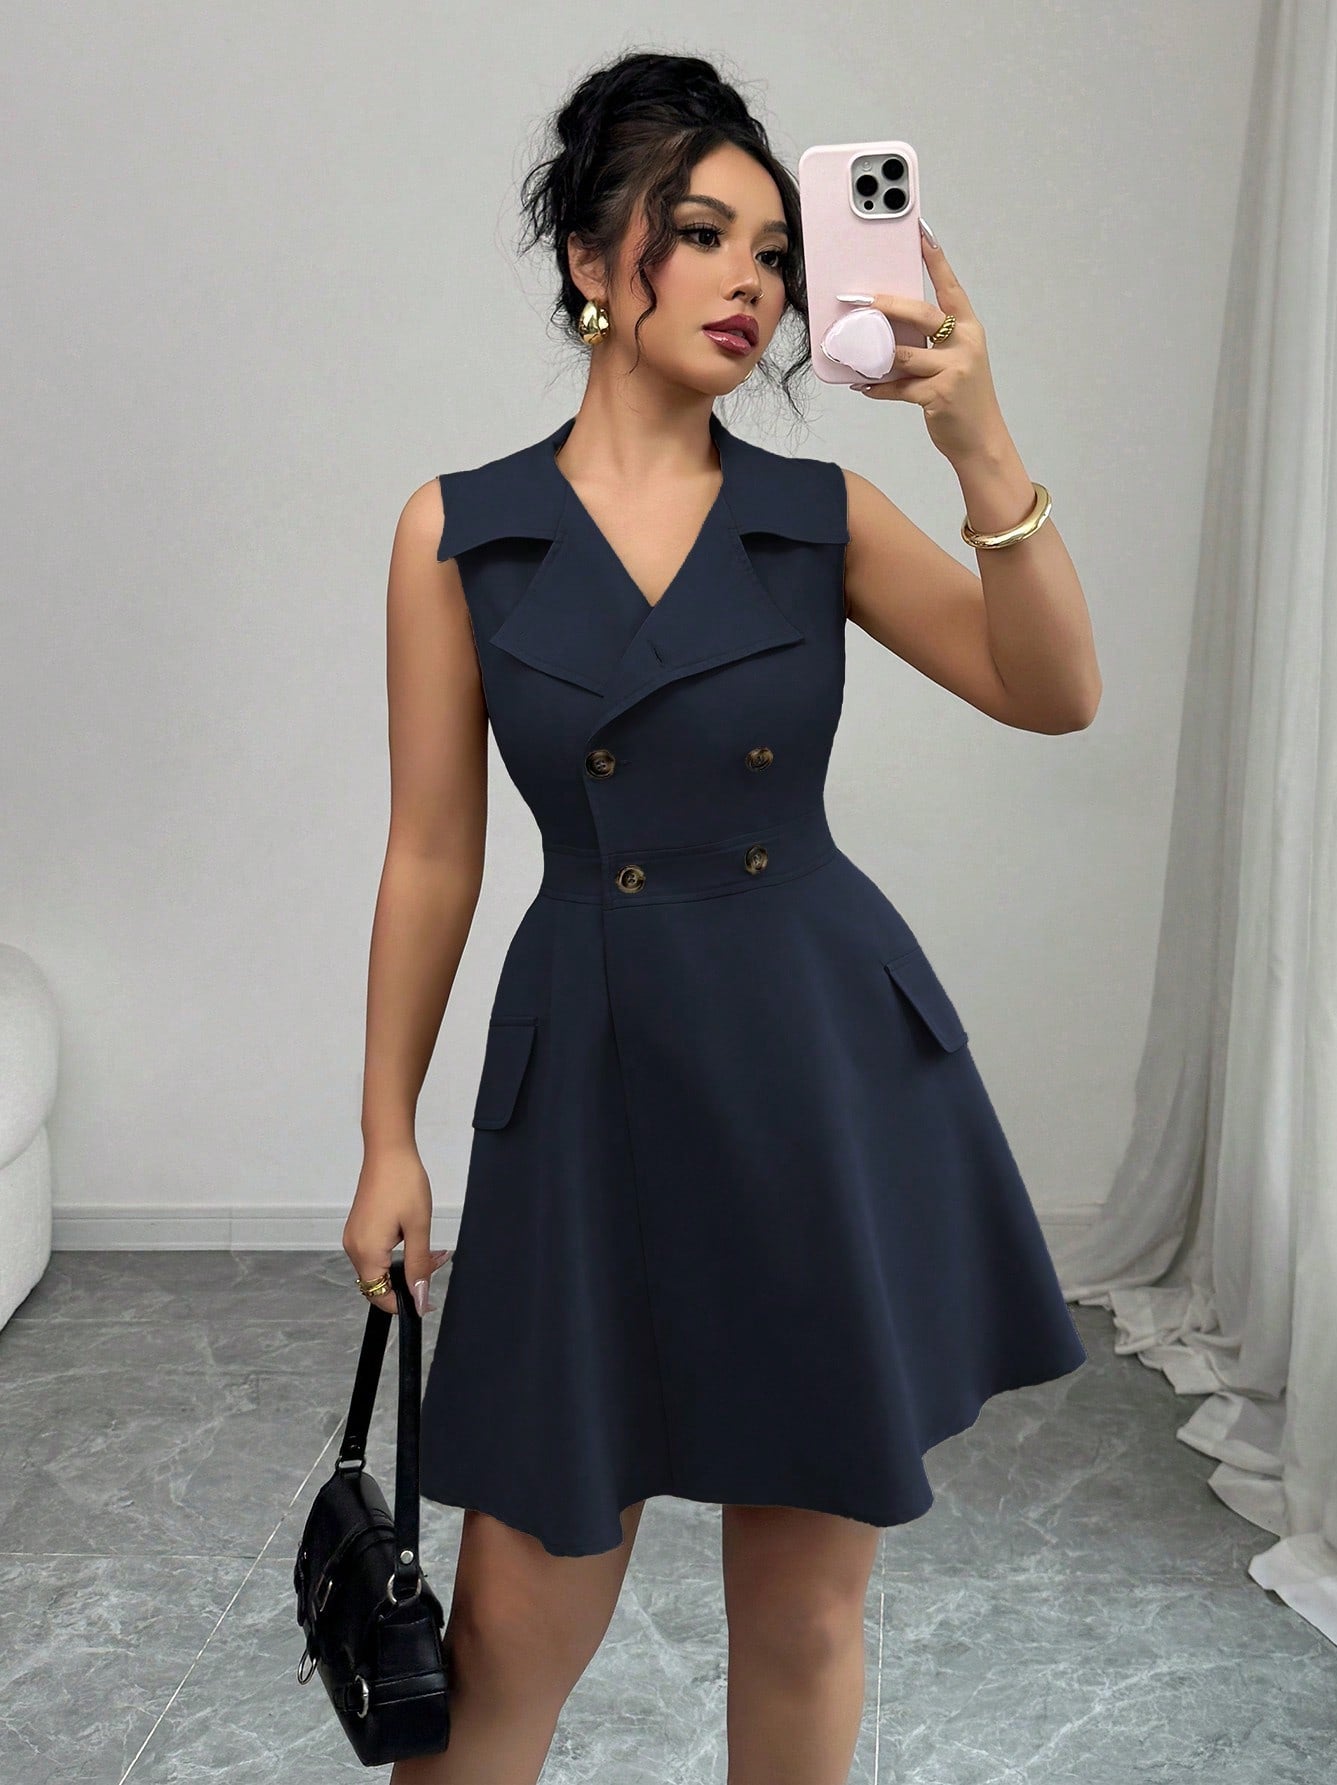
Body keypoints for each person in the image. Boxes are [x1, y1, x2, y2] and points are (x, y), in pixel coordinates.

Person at [343, 49, 1100, 1785]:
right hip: (588, 1077)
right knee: (506, 1632)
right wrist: (387, 1134)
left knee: (808, 1610)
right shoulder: (462, 531)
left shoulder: (813, 514)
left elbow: (1054, 690)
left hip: (814, 1064)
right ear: (593, 260)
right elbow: (433, 853)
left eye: (776, 251)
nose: (752, 282)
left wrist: (977, 438)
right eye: (701, 234)